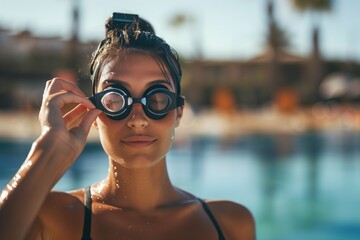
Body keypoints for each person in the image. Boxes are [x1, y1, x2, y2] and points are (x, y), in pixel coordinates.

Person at [0, 13, 255, 240]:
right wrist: (48, 149)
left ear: (178, 111)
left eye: (157, 99)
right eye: (115, 99)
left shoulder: (230, 223)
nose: (137, 119)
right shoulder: (51, 218)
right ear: (95, 110)